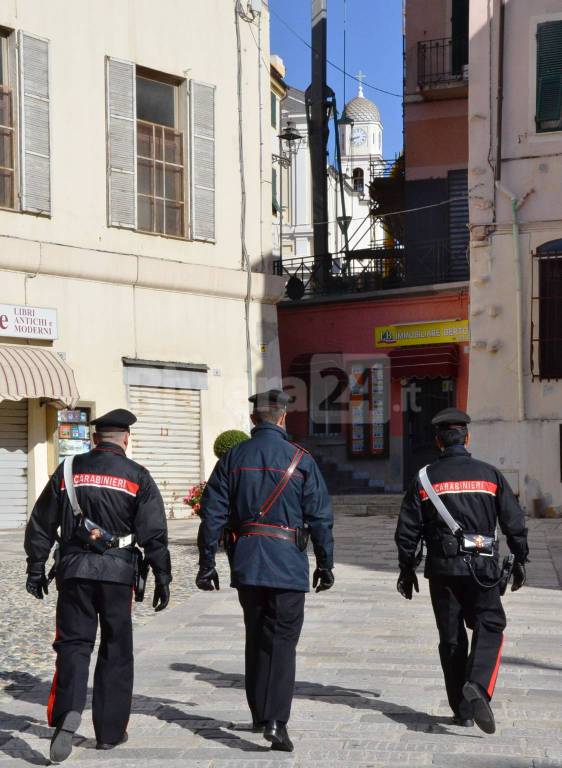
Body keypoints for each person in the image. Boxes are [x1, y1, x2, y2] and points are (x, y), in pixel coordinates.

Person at [24, 409, 172, 764]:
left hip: (74, 571)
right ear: (125, 439)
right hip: (119, 575)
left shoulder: (69, 471)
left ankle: (66, 716)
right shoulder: (138, 476)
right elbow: (154, 532)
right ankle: (109, 731)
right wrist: (162, 575)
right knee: (117, 648)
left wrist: (35, 566)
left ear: (94, 438)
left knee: (73, 645)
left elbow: (41, 522)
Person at [196, 389, 334, 753]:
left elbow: (213, 512)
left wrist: (207, 562)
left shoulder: (233, 457)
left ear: (254, 419)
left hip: (248, 559)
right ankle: (276, 720)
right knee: (283, 642)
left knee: (256, 634)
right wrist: (325, 563)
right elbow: (320, 517)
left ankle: (259, 713)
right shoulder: (301, 459)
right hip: (287, 561)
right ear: (284, 417)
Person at [395, 407, 529, 735]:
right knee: (490, 624)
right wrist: (521, 557)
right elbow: (514, 521)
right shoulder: (489, 475)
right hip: (483, 564)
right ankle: (479, 685)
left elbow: (407, 529)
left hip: (442, 568)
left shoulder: (424, 478)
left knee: (452, 639)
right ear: (468, 437)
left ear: (439, 441)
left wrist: (405, 567)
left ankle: (462, 711)